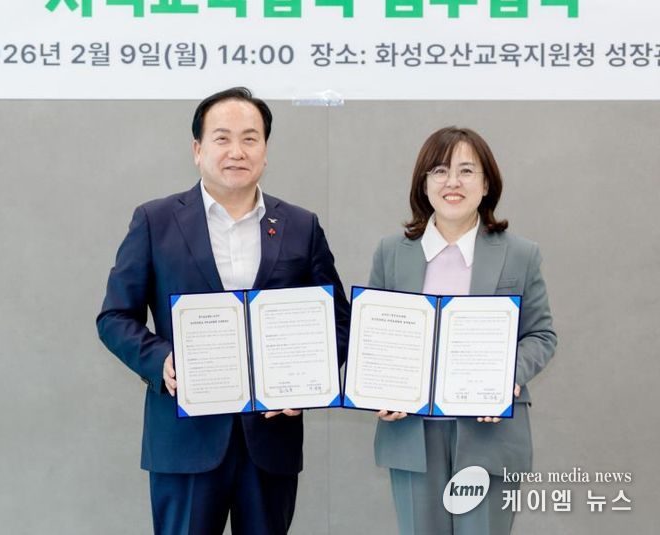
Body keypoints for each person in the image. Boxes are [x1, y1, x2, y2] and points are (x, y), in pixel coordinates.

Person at [96, 87, 350, 535]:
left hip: (270, 440)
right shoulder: (155, 221)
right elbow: (115, 317)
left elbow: (339, 322)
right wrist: (162, 360)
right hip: (184, 441)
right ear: (198, 150)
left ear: (265, 151)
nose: (237, 151)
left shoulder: (300, 226)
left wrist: (309, 382)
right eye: (222, 138)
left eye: (250, 138)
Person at [370, 127, 556, 535]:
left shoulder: (520, 254)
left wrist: (506, 377)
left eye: (466, 171)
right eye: (439, 171)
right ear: (424, 183)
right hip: (413, 432)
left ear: (486, 184)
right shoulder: (391, 252)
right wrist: (379, 387)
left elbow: (541, 335)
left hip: (489, 431)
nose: (452, 182)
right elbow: (375, 340)